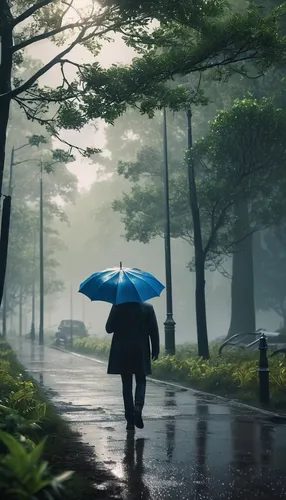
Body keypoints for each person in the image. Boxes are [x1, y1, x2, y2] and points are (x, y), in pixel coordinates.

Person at [105, 301, 160, 432]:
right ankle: (138, 408)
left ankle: (130, 420)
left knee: (126, 384)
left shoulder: (118, 306)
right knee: (141, 381)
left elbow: (108, 328)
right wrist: (155, 350)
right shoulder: (148, 308)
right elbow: (154, 330)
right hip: (140, 350)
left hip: (122, 351)